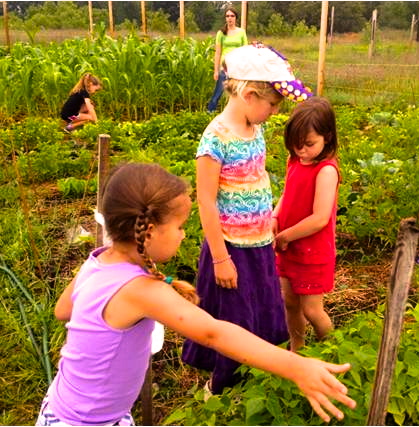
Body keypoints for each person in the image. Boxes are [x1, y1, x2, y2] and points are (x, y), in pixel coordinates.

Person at [35, 162, 355, 426]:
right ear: (148, 232)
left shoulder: (98, 262)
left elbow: (63, 310)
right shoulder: (140, 290)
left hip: (62, 406)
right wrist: (295, 366)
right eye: (179, 227)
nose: (185, 234)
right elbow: (213, 333)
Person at [182, 44, 313, 396]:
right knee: (235, 323)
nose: (274, 112)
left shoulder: (256, 131)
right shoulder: (216, 138)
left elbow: (257, 179)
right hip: (231, 251)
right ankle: (219, 390)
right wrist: (221, 258)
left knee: (263, 314)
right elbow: (207, 203)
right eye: (273, 105)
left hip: (258, 245)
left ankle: (252, 384)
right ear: (250, 94)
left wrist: (268, 217)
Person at [273, 97, 340, 352]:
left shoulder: (326, 170)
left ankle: (332, 349)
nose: (302, 150)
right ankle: (297, 347)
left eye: (309, 144)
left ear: (327, 136)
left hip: (312, 252)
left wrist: (287, 235)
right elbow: (287, 195)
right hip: (288, 247)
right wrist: (274, 217)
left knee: (312, 310)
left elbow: (320, 218)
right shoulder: (295, 161)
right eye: (296, 144)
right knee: (289, 301)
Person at [207, 7, 247, 113]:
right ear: (225, 18)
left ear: (236, 18)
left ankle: (236, 115)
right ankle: (209, 112)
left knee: (237, 93)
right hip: (225, 67)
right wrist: (216, 70)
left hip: (237, 68)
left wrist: (245, 68)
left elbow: (245, 51)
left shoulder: (241, 32)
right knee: (218, 92)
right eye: (227, 16)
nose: (230, 18)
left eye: (232, 16)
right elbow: (218, 53)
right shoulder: (221, 33)